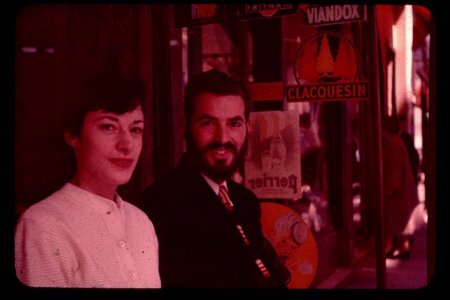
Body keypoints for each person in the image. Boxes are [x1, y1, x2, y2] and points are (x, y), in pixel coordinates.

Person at [141, 69, 288, 288]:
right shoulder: (161, 203)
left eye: (234, 124)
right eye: (208, 123)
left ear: (248, 127)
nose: (222, 138)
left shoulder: (245, 201)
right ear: (185, 126)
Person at [14, 74, 161, 288]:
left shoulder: (142, 223)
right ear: (72, 135)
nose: (127, 144)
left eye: (135, 129)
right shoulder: (42, 226)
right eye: (108, 127)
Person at [381, 116, 419, 259]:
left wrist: (390, 189)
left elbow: (395, 170)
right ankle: (403, 248)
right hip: (403, 189)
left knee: (394, 221)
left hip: (398, 192)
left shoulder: (393, 144)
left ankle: (390, 248)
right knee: (401, 222)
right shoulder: (397, 142)